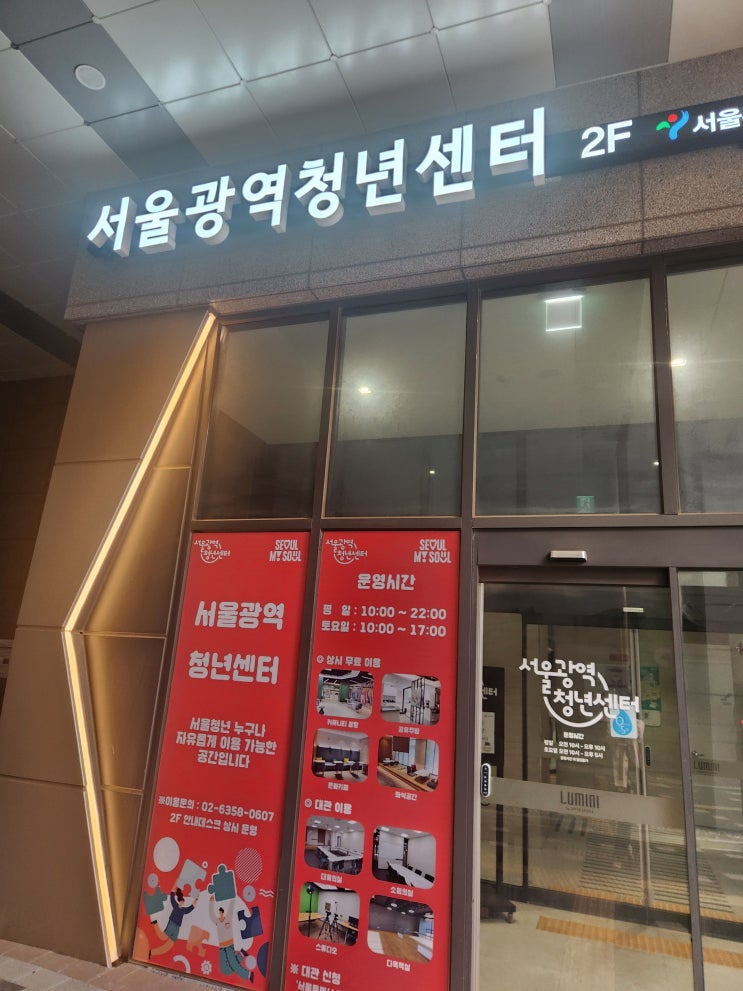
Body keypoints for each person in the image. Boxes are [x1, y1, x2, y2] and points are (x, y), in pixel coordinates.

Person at [209, 897, 254, 982]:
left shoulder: (228, 918)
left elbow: (231, 908)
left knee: (233, 964)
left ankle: (249, 974)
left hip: (229, 945)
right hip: (222, 947)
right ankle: (241, 955)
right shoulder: (217, 921)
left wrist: (233, 897)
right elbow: (211, 915)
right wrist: (211, 902)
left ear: (223, 913)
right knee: (224, 970)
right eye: (219, 913)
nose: (220, 914)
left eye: (221, 912)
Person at [150, 887, 195, 956]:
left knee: (169, 945)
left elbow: (190, 908)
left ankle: (151, 952)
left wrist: (195, 900)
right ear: (179, 901)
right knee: (163, 937)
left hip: (177, 928)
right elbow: (172, 898)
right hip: (172, 924)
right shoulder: (175, 905)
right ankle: (155, 923)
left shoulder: (183, 910)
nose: (182, 903)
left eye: (183, 902)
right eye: (181, 901)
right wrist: (173, 889)